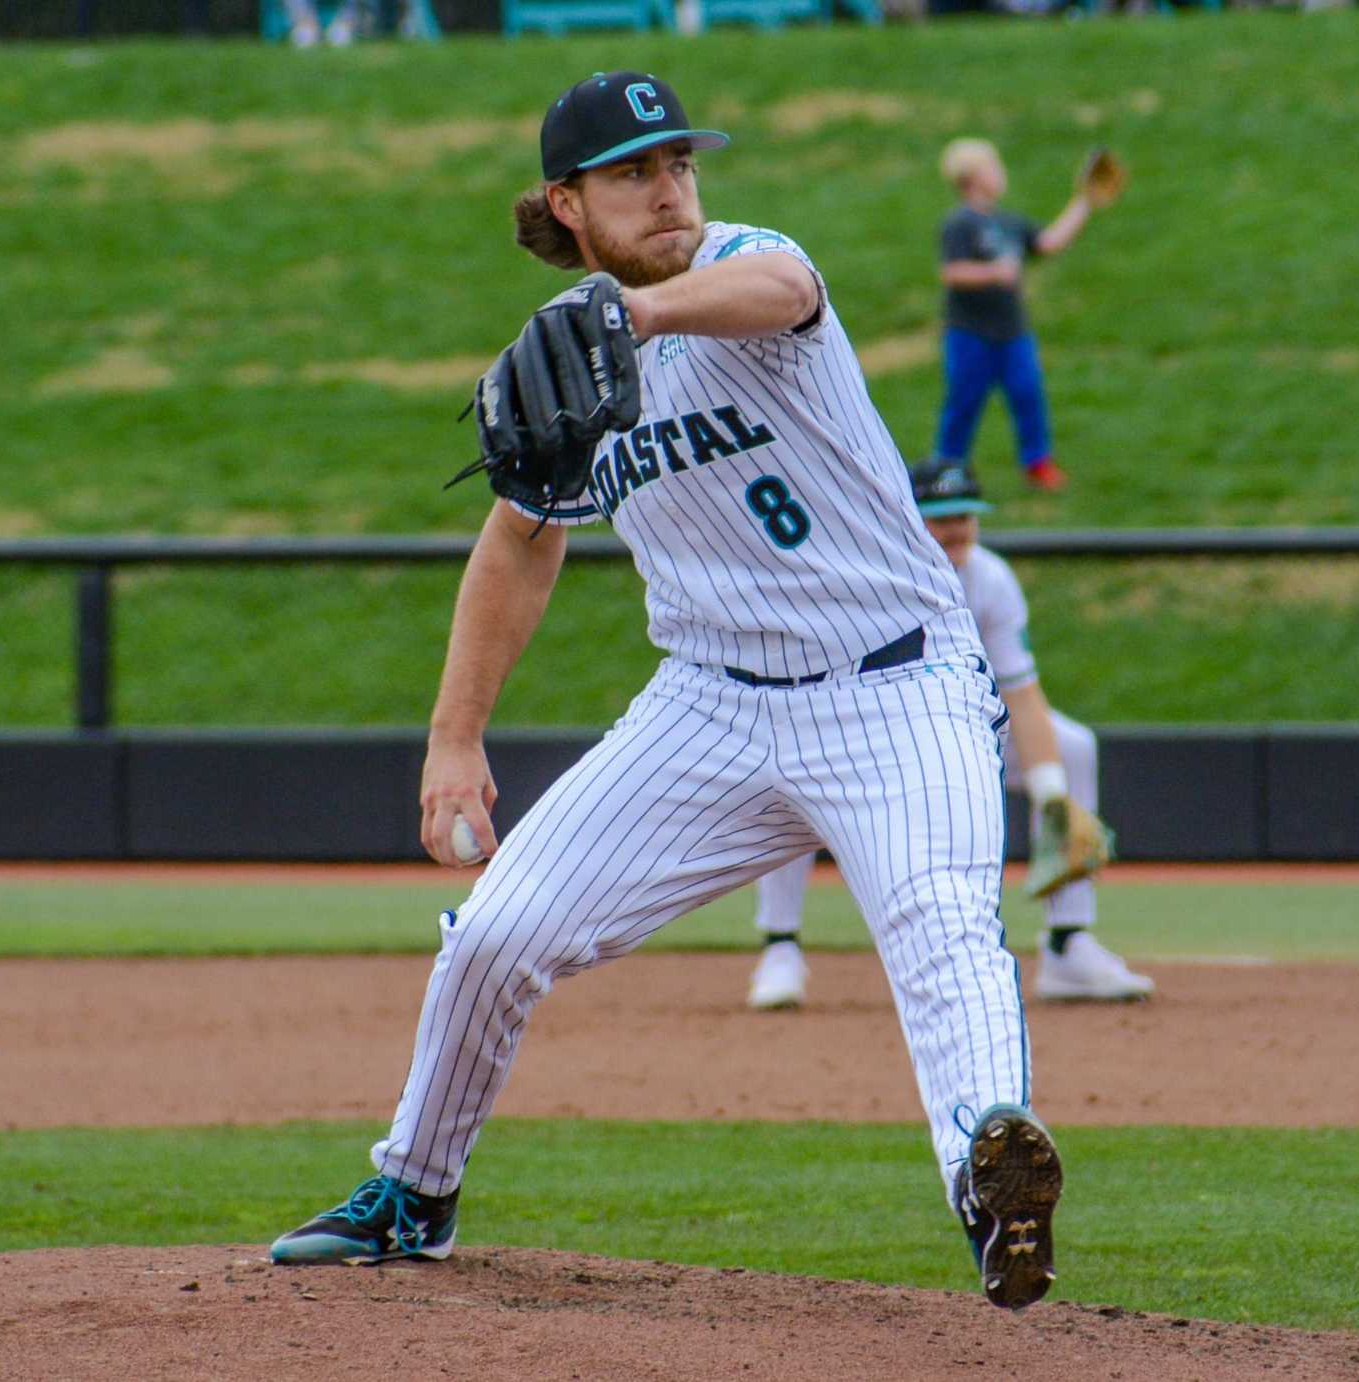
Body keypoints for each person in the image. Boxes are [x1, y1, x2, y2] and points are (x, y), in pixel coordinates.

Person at [270, 71, 1065, 1311]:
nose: (668, 189)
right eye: (634, 173)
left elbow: (782, 292)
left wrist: (632, 320)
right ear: (566, 203)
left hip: (894, 686)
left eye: (679, 163)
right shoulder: (564, 361)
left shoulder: (748, 267)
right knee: (493, 935)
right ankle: (412, 1192)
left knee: (940, 927)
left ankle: (991, 1184)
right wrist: (452, 737)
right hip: (709, 706)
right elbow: (519, 542)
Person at [747, 460, 1154, 1010]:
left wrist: (1053, 796)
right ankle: (781, 947)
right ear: (906, 519)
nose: (957, 527)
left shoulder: (989, 578)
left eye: (964, 514)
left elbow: (1023, 693)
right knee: (791, 764)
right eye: (940, 517)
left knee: (1073, 748)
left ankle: (1067, 944)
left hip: (955, 727)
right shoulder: (866, 575)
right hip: (860, 728)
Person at [932, 138, 1108, 494]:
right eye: (994, 168)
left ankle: (1037, 462)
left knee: (1028, 394)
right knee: (964, 400)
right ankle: (947, 467)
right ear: (974, 177)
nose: (1001, 174)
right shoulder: (960, 224)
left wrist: (1084, 203)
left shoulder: (1007, 222)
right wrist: (994, 273)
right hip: (970, 332)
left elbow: (1049, 242)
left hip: (1013, 331)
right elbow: (951, 272)